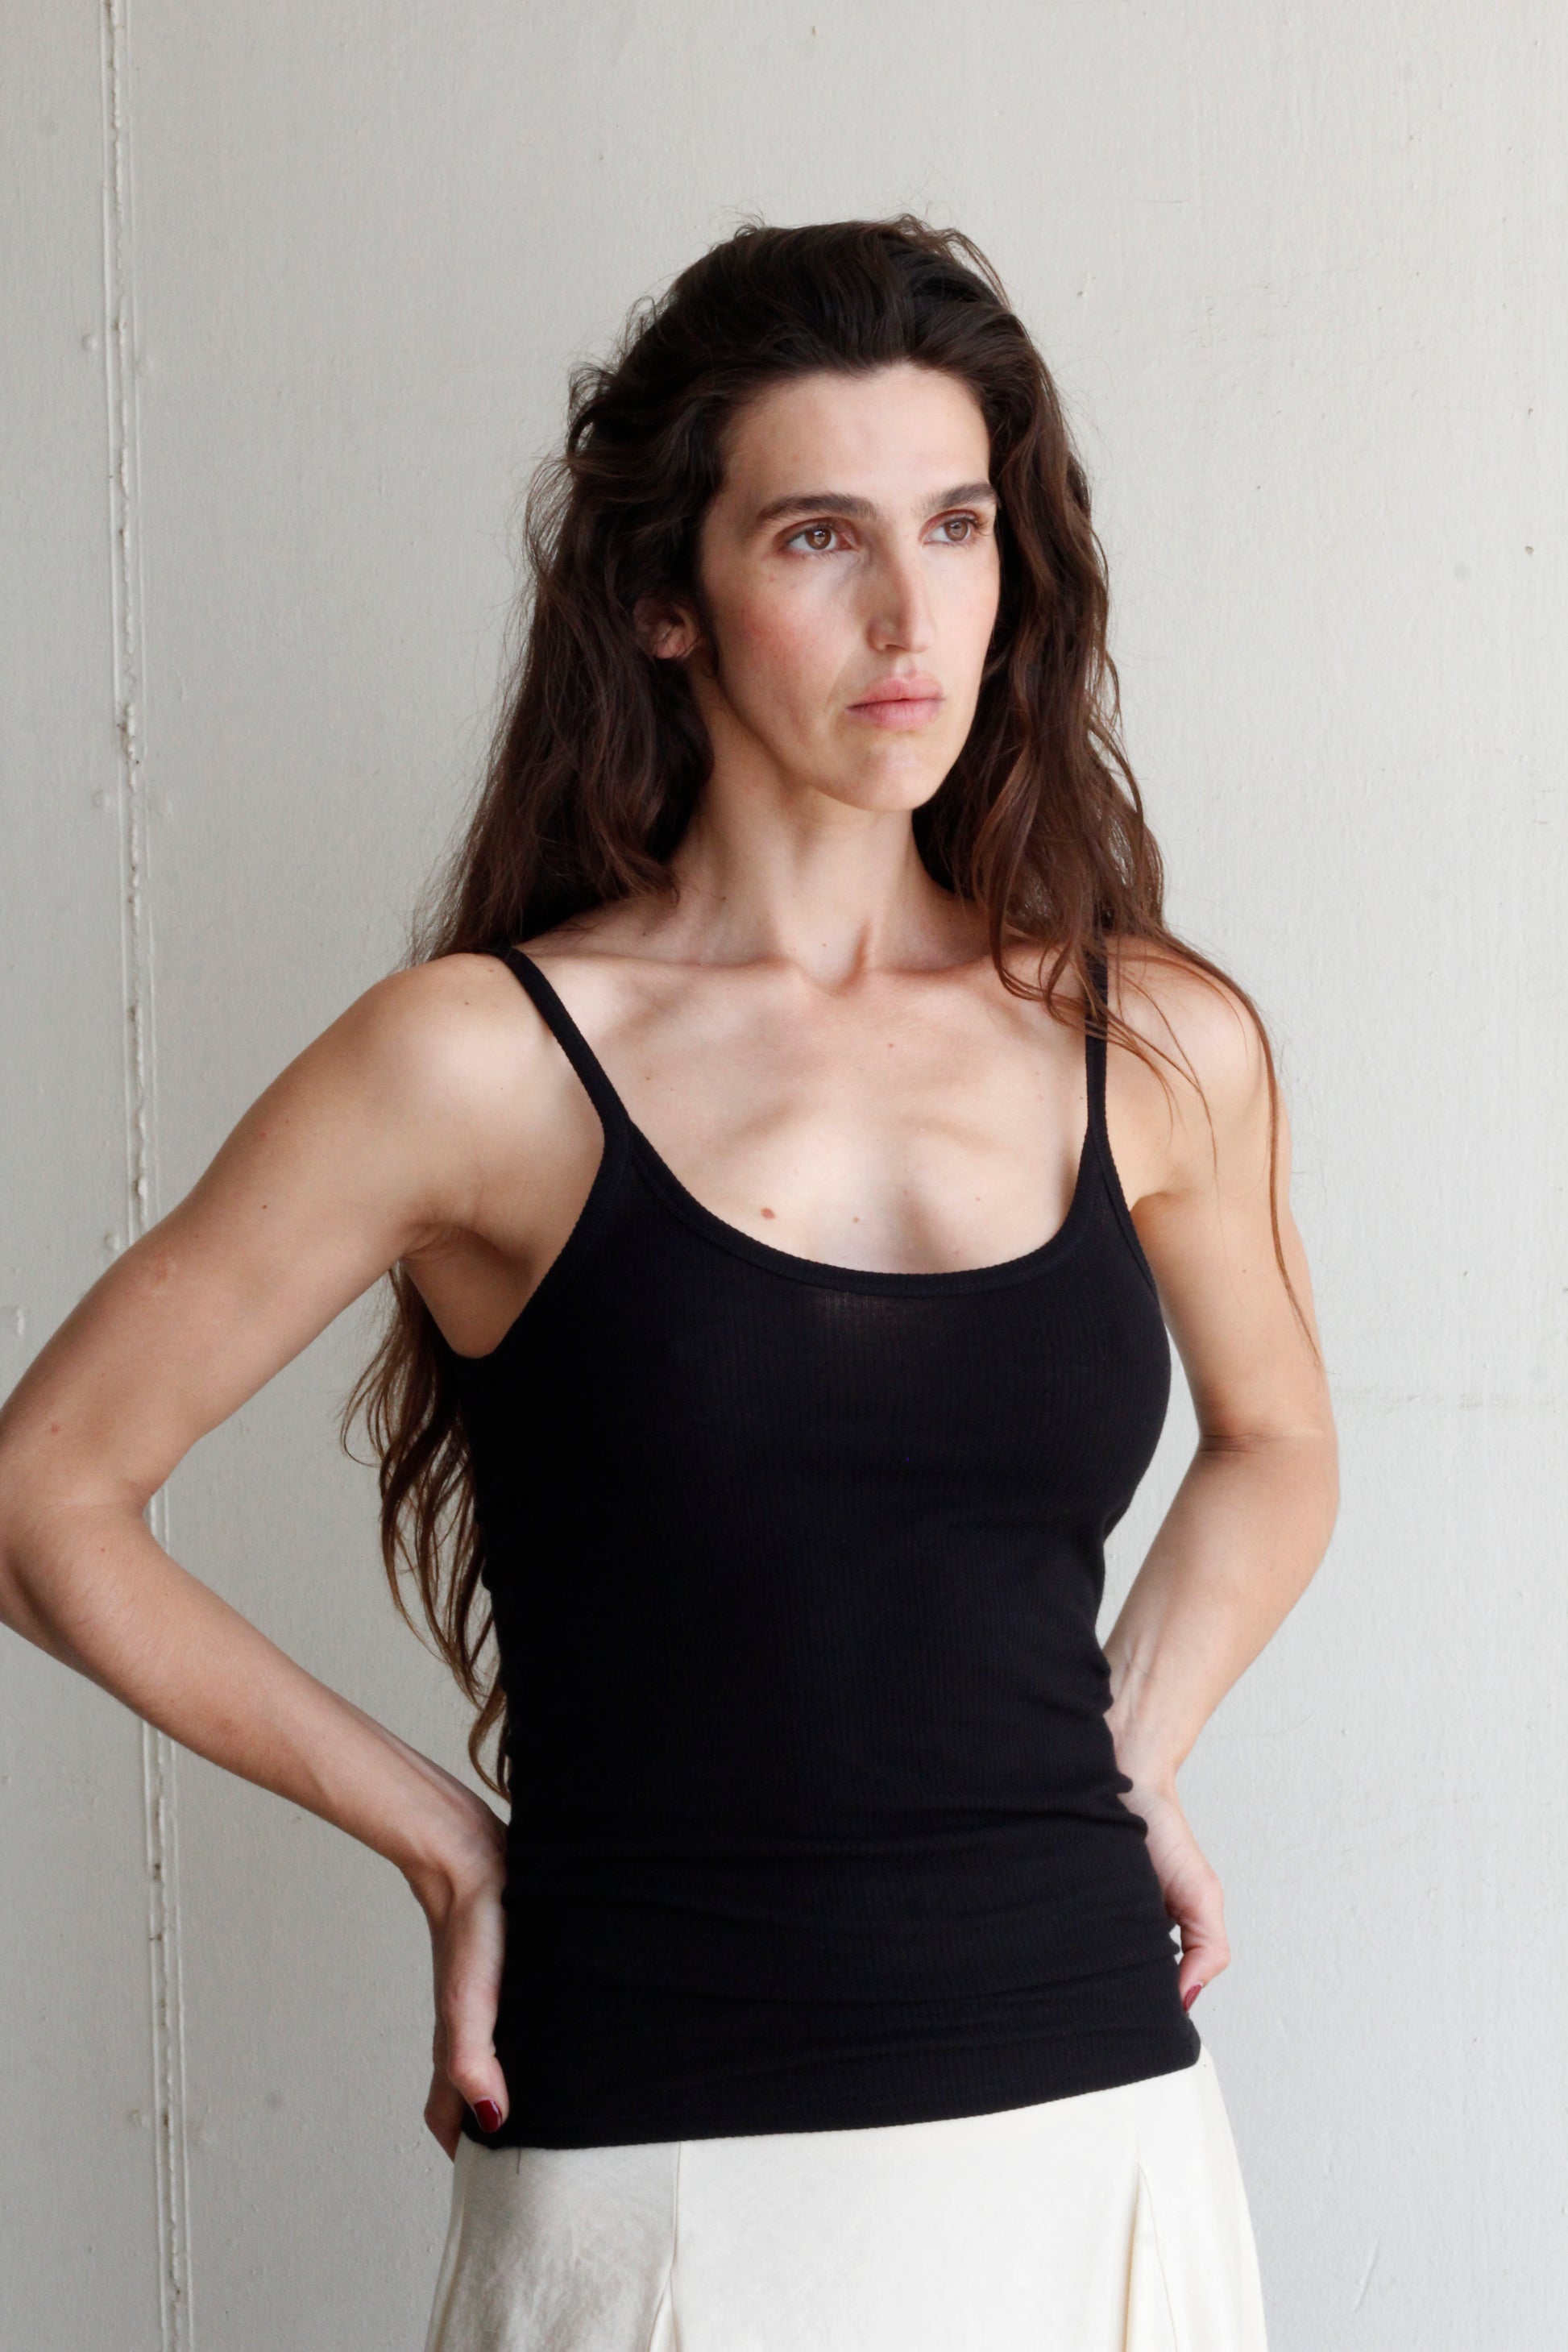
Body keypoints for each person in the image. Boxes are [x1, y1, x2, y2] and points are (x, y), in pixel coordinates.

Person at [0, 218, 1338, 2350]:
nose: (910, 613)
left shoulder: (1158, 1038)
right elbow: (43, 1499)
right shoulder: (476, 1063)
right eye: (819, 536)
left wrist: (1133, 1746)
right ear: (662, 597)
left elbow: (1275, 1446)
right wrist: (448, 1848)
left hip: (1098, 2130)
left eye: (956, 526)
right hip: (663, 2162)